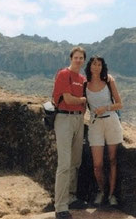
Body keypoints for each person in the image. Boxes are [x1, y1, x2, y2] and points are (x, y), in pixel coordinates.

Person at [52, 47, 89, 219]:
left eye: (81, 58)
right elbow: (67, 99)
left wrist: (81, 104)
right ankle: (60, 206)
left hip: (78, 119)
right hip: (64, 119)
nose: (79, 60)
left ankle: (71, 197)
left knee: (76, 161)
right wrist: (82, 100)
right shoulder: (63, 74)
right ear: (71, 58)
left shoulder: (82, 79)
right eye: (76, 57)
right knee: (64, 164)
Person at [84, 56, 124, 206]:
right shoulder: (85, 84)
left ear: (102, 67)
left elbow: (119, 104)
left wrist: (106, 108)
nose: (96, 67)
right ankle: (102, 190)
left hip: (111, 121)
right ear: (90, 66)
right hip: (95, 124)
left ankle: (111, 195)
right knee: (97, 165)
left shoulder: (108, 80)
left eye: (99, 65)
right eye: (94, 64)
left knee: (113, 160)